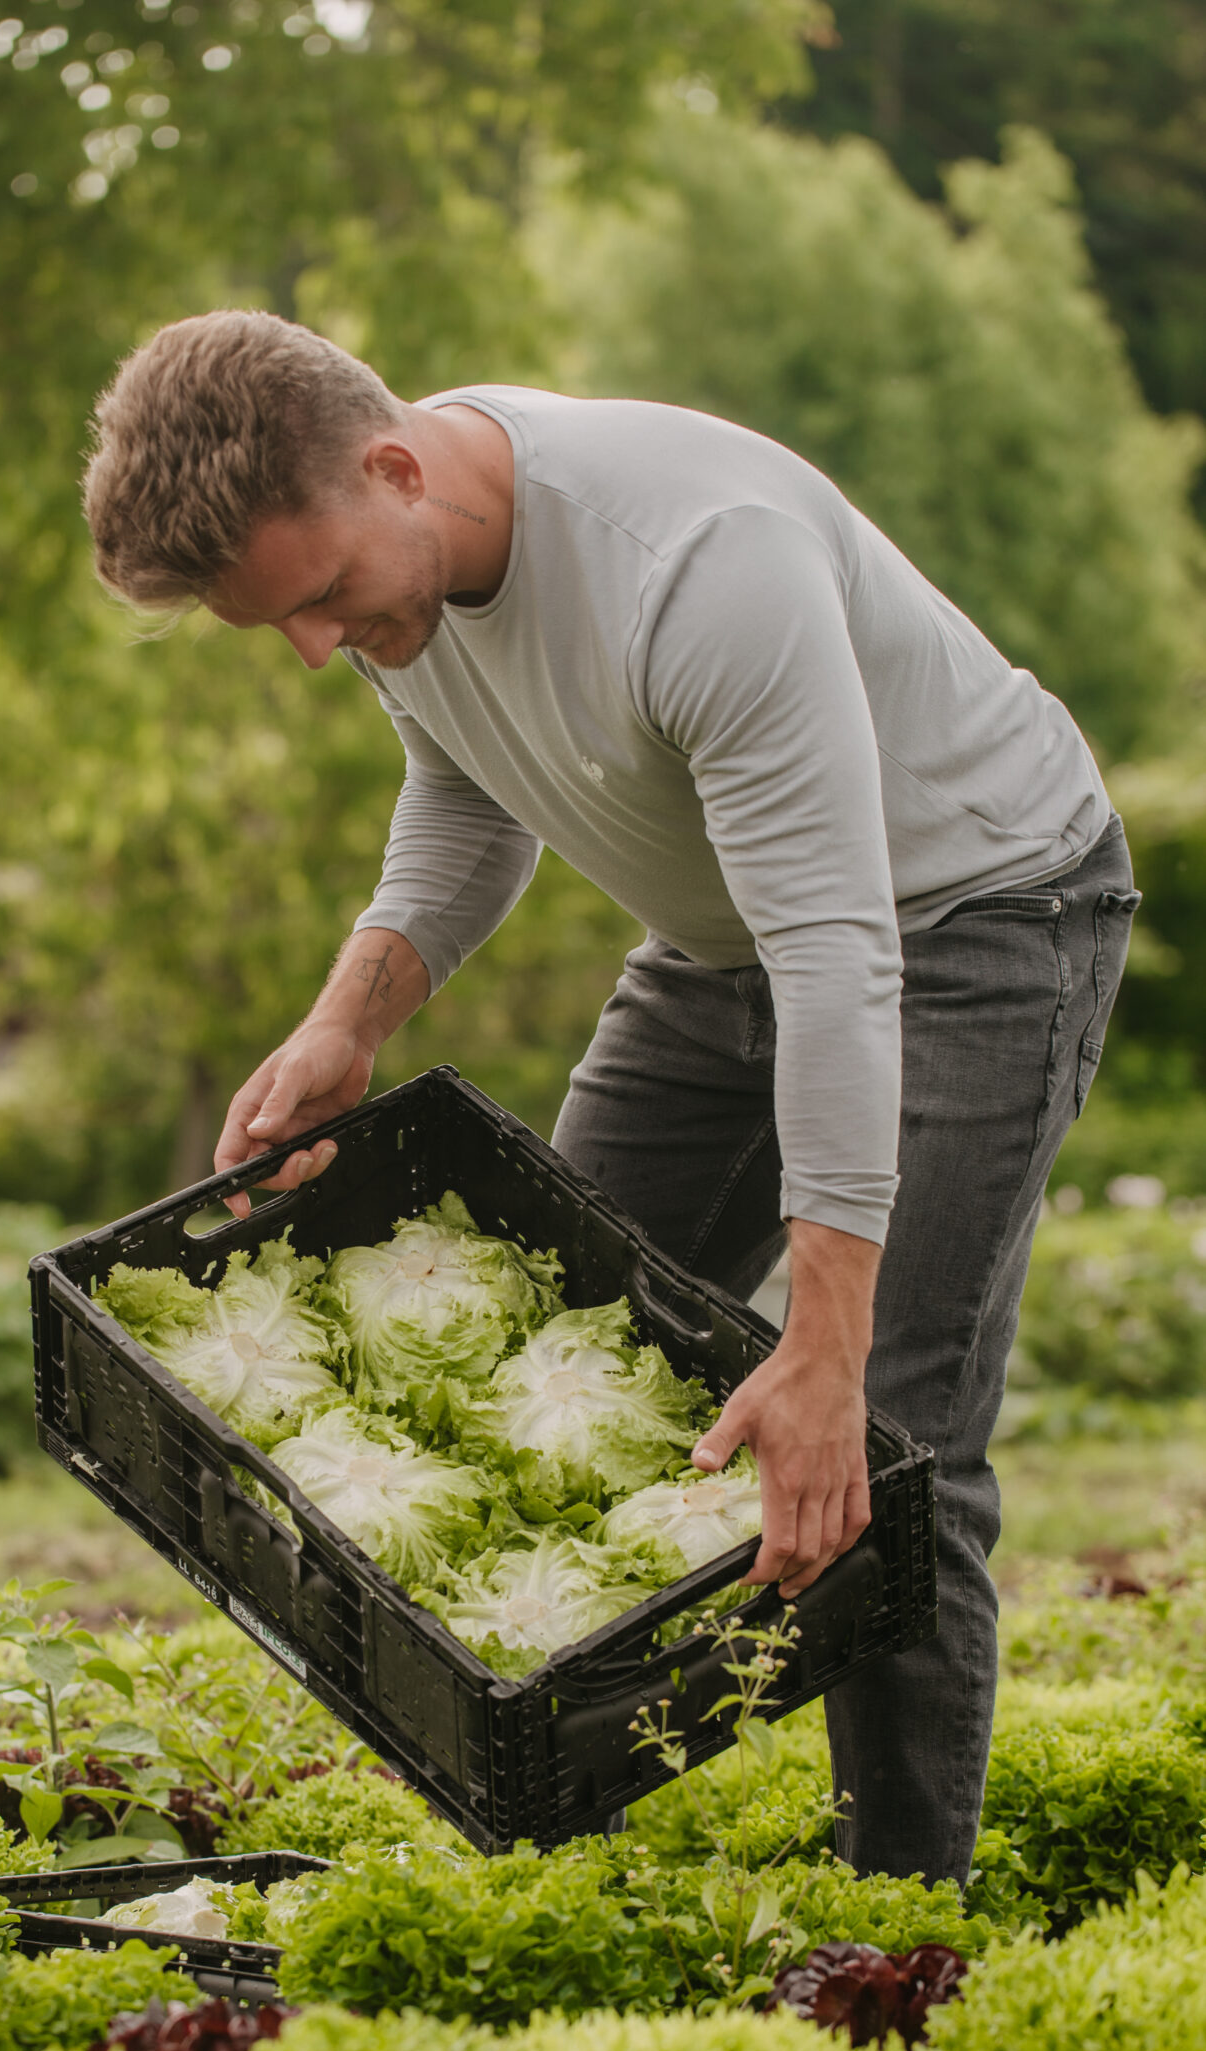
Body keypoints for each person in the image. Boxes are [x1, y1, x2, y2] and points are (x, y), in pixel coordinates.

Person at [81, 307, 1138, 1885]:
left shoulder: (700, 566)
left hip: (977, 921)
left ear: (392, 467)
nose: (313, 651)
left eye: (319, 604)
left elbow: (845, 965)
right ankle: (578, 1837)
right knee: (561, 1350)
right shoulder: (403, 563)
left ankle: (908, 1930)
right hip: (727, 946)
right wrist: (344, 1020)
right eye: (277, 628)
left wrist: (819, 1348)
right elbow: (466, 786)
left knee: (890, 1437)